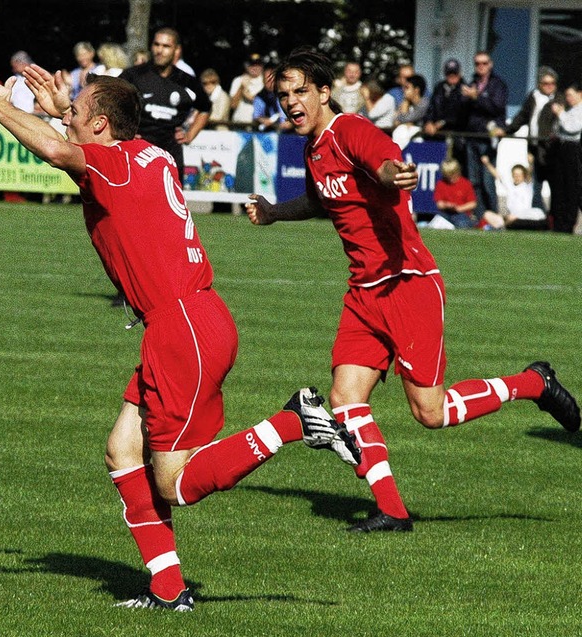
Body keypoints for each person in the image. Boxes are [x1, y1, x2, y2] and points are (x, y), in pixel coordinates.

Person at [0, 65, 359, 611]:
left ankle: (293, 422)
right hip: (193, 320)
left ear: (101, 125)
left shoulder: (113, 164)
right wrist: (60, 111)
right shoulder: (144, 153)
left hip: (182, 330)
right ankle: (169, 590)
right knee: (121, 450)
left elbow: (60, 153)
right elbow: (83, 143)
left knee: (175, 482)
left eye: (77, 111)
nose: (68, 114)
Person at [245, 47, 580, 533]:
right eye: (283, 96)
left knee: (431, 411)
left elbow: (385, 163)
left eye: (300, 92)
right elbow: (323, 200)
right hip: (364, 292)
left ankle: (533, 383)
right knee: (345, 398)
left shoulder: (351, 130)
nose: (291, 103)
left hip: (407, 284)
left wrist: (393, 173)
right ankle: (393, 510)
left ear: (323, 92)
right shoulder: (313, 148)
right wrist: (276, 212)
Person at [121, 27, 211, 182]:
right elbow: (110, 101)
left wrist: (189, 134)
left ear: (177, 50)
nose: (160, 50)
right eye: (157, 45)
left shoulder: (187, 81)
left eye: (166, 46)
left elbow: (205, 108)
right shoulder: (133, 75)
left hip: (170, 153)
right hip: (137, 148)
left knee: (170, 204)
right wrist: (122, 131)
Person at [497, 66, 563, 210]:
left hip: (551, 148)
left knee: (555, 182)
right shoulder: (534, 96)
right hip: (534, 146)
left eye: (552, 83)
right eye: (546, 83)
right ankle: (537, 212)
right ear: (539, 84)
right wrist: (507, 130)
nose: (549, 86)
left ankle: (555, 216)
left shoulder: (559, 99)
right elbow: (522, 116)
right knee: (536, 181)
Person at [461, 51, 508, 219]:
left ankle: (494, 214)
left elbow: (497, 108)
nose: (481, 66)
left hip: (488, 139)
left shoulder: (498, 85)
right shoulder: (472, 82)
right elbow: (464, 110)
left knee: (488, 179)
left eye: (484, 63)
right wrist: (466, 98)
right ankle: (480, 217)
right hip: (472, 136)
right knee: (474, 180)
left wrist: (477, 97)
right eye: (477, 63)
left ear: (490, 64)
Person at [422, 58, 469, 166]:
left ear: (460, 73)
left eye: (455, 73)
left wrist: (442, 123)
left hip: (455, 139)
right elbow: (431, 108)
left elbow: (460, 113)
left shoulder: (465, 89)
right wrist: (428, 122)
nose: (452, 76)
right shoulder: (439, 87)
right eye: (449, 73)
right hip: (436, 138)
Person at [549, 82, 582, 233]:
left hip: (573, 149)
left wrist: (560, 113)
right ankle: (559, 222)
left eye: (570, 95)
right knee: (560, 186)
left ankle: (568, 222)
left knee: (571, 187)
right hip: (561, 148)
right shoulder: (571, 110)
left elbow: (572, 128)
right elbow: (559, 129)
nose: (567, 98)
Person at [481, 159, 547, 230]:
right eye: (515, 175)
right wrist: (487, 163)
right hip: (512, 215)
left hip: (525, 215)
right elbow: (497, 175)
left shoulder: (527, 185)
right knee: (487, 214)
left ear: (523, 175)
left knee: (538, 213)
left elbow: (530, 172)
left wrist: (531, 163)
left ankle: (503, 227)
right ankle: (504, 225)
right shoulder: (510, 186)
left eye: (519, 175)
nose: (517, 177)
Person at [432, 158, 477, 228]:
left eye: (453, 175)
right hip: (446, 213)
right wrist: (447, 205)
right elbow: (439, 204)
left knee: (462, 224)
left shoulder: (465, 183)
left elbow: (472, 203)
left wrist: (459, 208)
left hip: (462, 214)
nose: (451, 178)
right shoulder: (441, 184)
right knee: (436, 224)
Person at [391, 73, 429, 149]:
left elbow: (407, 118)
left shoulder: (424, 104)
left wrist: (405, 104)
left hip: (422, 142)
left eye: (407, 88)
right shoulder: (407, 103)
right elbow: (395, 120)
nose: (404, 90)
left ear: (416, 90)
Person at [253, 63, 292, 132]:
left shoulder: (287, 94)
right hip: (269, 133)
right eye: (267, 80)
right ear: (263, 80)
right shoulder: (259, 97)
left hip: (289, 133)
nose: (270, 83)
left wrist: (291, 123)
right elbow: (256, 116)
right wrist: (263, 120)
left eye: (272, 80)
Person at [229, 53, 265, 124]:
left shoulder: (265, 82)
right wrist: (241, 87)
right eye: (252, 64)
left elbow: (266, 104)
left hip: (258, 125)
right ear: (246, 66)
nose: (255, 67)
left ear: (262, 66)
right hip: (239, 123)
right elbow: (233, 105)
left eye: (258, 65)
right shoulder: (238, 80)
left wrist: (249, 97)